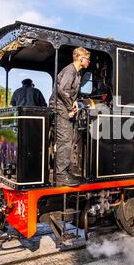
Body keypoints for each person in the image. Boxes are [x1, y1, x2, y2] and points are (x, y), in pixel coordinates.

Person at [49, 47, 91, 186]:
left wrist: (74, 102)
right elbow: (62, 90)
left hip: (64, 107)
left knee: (68, 141)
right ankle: (61, 175)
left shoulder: (77, 73)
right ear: (80, 59)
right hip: (60, 109)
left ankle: (64, 171)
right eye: (87, 59)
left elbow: (69, 92)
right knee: (65, 142)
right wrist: (69, 108)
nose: (89, 61)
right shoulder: (70, 71)